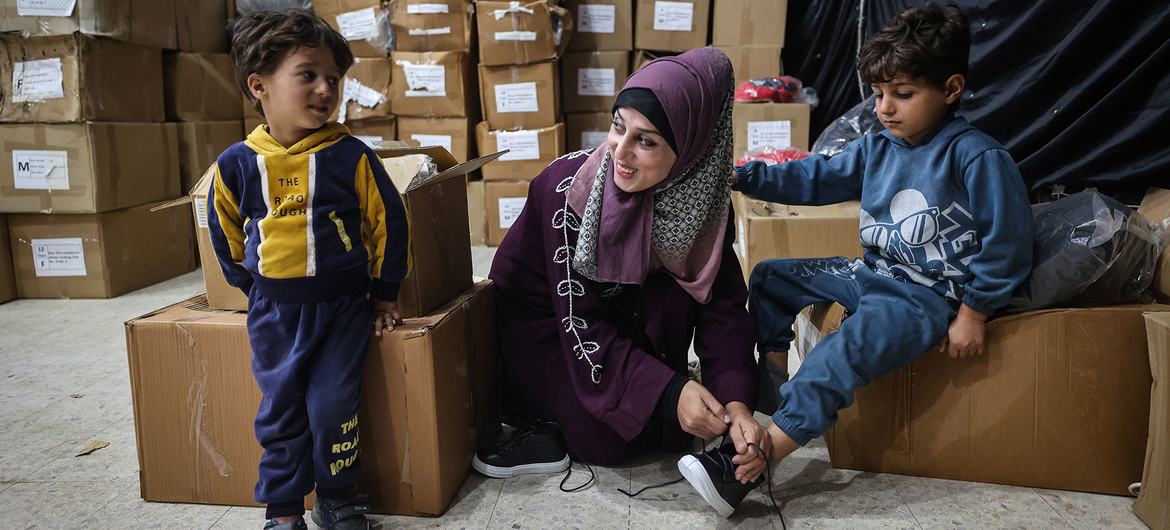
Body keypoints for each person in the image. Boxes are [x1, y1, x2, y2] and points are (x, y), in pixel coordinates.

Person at [712, 1, 1034, 516]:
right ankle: (774, 384)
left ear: (950, 89)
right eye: (880, 94)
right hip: (872, 275)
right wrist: (744, 176)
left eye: (903, 94)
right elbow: (816, 177)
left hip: (922, 298)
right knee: (771, 277)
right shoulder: (879, 145)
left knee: (835, 354)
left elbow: (1009, 244)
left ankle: (757, 460)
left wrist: (973, 313)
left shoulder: (977, 157)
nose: (885, 107)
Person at [475, 47, 768, 512]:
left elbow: (722, 306)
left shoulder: (703, 204)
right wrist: (670, 390)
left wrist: (736, 404)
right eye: (617, 125)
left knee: (678, 428)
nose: (620, 152)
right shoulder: (566, 195)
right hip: (549, 324)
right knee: (610, 441)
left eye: (646, 141)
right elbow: (580, 321)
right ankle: (539, 421)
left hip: (623, 307)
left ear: (691, 148)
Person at [207, 9, 409, 530]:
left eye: (334, 79)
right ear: (260, 86)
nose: (325, 89)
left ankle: (338, 497)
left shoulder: (352, 157)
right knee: (281, 414)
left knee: (334, 407)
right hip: (274, 313)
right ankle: (281, 509)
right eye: (308, 75)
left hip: (344, 310)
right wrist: (250, 287)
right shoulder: (236, 164)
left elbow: (389, 224)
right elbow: (225, 233)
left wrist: (384, 296)